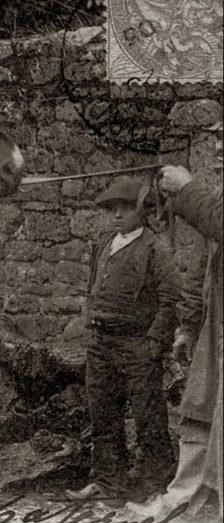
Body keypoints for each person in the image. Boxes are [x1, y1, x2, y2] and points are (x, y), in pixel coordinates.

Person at [66, 177, 181, 505]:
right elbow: (93, 285)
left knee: (149, 418)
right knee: (103, 415)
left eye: (125, 209)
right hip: (101, 344)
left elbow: (171, 297)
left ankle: (155, 486)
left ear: (141, 211)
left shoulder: (155, 248)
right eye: (111, 209)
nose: (117, 216)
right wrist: (91, 326)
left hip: (137, 346)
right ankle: (108, 484)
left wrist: (155, 342)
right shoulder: (104, 243)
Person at [128, 134, 223, 520]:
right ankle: (187, 497)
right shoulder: (217, 193)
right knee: (199, 408)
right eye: (217, 139)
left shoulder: (206, 197)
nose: (217, 149)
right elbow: (202, 262)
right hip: (215, 322)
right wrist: (188, 325)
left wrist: (185, 191)